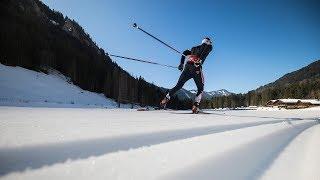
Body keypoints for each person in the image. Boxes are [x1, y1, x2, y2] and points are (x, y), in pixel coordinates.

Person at [160, 37, 213, 113]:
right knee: (200, 88)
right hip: (196, 68)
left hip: (187, 67)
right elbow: (206, 50)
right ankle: (195, 105)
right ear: (207, 41)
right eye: (210, 42)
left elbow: (184, 52)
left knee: (179, 85)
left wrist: (181, 63)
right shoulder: (208, 46)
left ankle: (167, 97)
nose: (210, 43)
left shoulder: (193, 48)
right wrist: (199, 60)